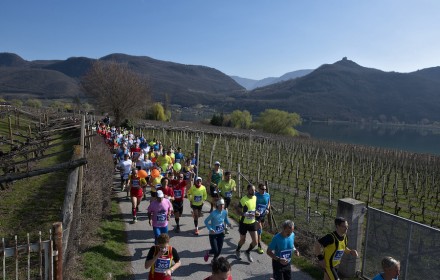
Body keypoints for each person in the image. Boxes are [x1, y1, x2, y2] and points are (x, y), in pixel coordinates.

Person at [204, 199, 233, 263]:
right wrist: (210, 229)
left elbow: (225, 220)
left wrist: (229, 224)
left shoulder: (225, 212)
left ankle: (214, 260)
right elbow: (206, 221)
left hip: (221, 233)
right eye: (221, 205)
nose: (222, 206)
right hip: (213, 234)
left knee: (219, 250)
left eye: (223, 205)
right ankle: (208, 252)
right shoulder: (213, 213)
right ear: (217, 205)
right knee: (215, 250)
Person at [235, 184, 259, 262]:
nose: (254, 191)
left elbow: (253, 209)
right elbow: (238, 211)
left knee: (255, 242)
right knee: (243, 240)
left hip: (252, 222)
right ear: (248, 190)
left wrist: (256, 212)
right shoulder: (243, 200)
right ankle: (238, 250)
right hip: (243, 223)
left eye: (254, 190)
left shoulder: (255, 198)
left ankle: (247, 252)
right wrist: (244, 214)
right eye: (252, 190)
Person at [255, 182, 271, 254]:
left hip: (263, 214)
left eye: (265, 189)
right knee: (260, 228)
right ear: (259, 189)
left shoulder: (267, 195)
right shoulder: (255, 195)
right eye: (262, 189)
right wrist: (255, 211)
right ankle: (259, 245)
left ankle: (255, 234)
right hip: (256, 214)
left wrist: (267, 209)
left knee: (260, 229)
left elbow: (268, 203)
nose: (264, 190)